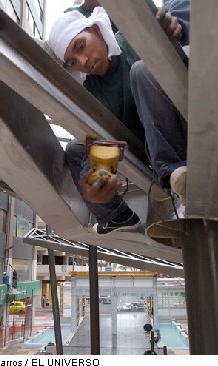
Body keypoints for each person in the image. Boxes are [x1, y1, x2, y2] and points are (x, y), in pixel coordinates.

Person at [48, 1, 190, 233]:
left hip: (182, 126)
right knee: (75, 150)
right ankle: (118, 216)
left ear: (96, 30)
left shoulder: (133, 38)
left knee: (141, 70)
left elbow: (172, 33)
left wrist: (175, 30)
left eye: (80, 46)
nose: (83, 62)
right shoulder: (94, 93)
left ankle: (175, 173)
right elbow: (103, 140)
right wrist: (97, 178)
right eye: (73, 62)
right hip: (146, 149)